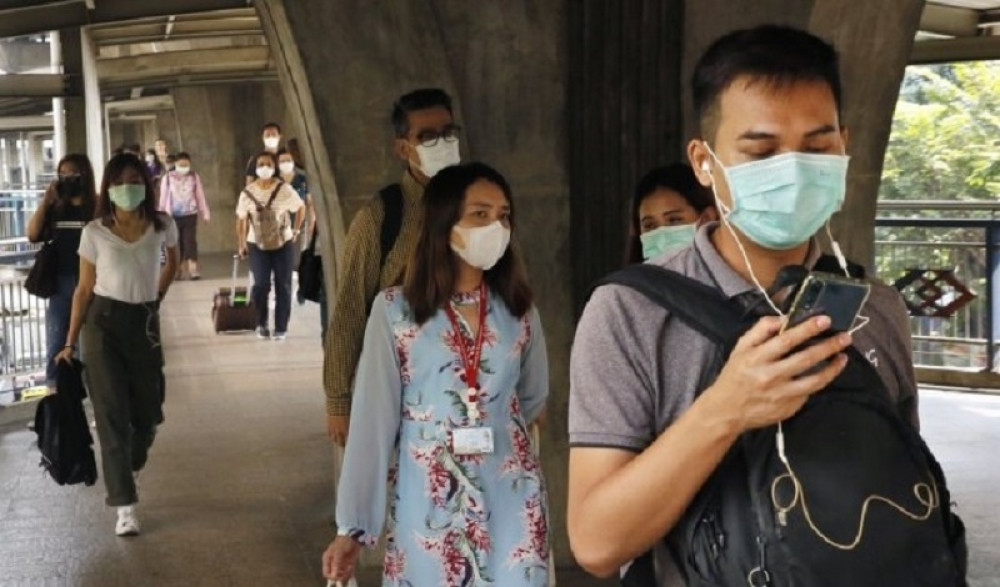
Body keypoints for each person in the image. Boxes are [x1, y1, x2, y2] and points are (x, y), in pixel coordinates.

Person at [567, 25, 919, 585]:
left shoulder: (877, 308)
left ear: (844, 145)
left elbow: (902, 489)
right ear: (705, 163)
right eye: (761, 151)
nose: (794, 168)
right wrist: (726, 408)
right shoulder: (629, 311)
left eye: (818, 147)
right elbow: (596, 543)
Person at [322, 162, 549, 585]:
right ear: (444, 222)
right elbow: (374, 421)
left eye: (503, 216)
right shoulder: (395, 313)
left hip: (511, 498)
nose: (495, 226)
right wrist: (352, 527)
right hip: (428, 504)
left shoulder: (519, 310)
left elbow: (533, 398)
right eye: (480, 214)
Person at [323, 87, 461, 447]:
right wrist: (338, 400)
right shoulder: (382, 217)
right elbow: (350, 308)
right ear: (403, 148)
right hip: (400, 394)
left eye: (448, 133)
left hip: (471, 388)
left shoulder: (479, 207)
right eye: (426, 137)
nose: (441, 143)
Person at [54, 152, 178, 537]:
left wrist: (156, 296)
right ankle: (124, 505)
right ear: (108, 187)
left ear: (145, 183)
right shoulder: (94, 232)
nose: (128, 187)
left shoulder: (162, 225)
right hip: (102, 325)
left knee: (148, 414)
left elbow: (173, 262)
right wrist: (70, 342)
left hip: (143, 323)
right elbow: (84, 289)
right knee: (111, 416)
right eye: (120, 181)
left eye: (134, 179)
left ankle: (130, 465)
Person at [27, 153, 97, 390]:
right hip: (61, 281)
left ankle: (93, 395)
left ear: (85, 175)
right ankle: (55, 396)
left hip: (93, 282)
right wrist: (46, 201)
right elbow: (33, 234)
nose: (67, 179)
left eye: (73, 174)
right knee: (57, 340)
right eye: (62, 174)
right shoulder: (57, 208)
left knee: (91, 343)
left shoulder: (96, 207)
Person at [236, 151, 304, 340]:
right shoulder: (247, 193)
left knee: (283, 285)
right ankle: (261, 323)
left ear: (274, 168)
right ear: (256, 168)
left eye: (268, 164)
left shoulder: (284, 189)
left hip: (283, 243)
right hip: (256, 244)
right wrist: (241, 244)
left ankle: (281, 327)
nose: (264, 167)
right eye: (260, 164)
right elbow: (241, 219)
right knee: (260, 285)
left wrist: (296, 230)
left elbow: (300, 207)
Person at [625, 163, 717, 264]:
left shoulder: (730, 276)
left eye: (674, 220)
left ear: (707, 218)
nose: (661, 237)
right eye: (649, 225)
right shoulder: (629, 279)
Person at [159, 152, 211, 280]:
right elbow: (163, 197)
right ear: (175, 164)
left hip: (190, 214)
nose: (184, 167)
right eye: (181, 165)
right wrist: (160, 215)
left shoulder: (194, 177)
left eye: (186, 165)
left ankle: (193, 269)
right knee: (176, 243)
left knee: (190, 242)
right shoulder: (167, 178)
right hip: (173, 216)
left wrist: (205, 213)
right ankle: (177, 269)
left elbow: (200, 195)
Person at [277, 148, 316, 259]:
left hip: (300, 225)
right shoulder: (275, 180)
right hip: (278, 226)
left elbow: (310, 203)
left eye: (288, 160)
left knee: (299, 255)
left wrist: (313, 221)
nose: (286, 164)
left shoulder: (302, 179)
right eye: (282, 161)